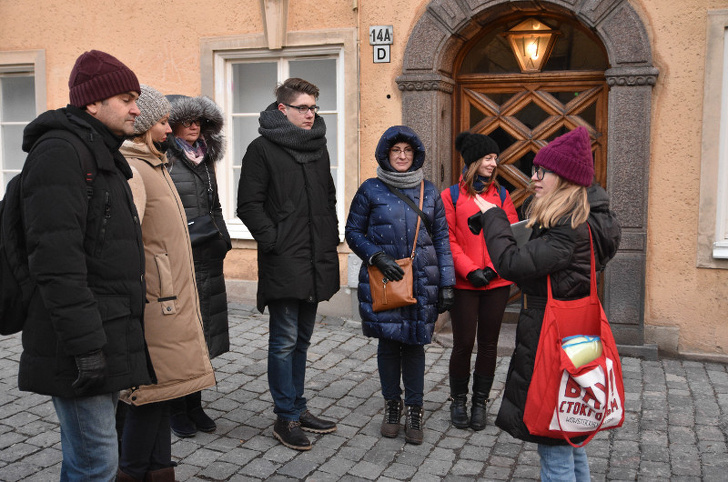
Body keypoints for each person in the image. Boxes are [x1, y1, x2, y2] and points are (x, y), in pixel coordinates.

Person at [17, 50, 154, 481]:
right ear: (92, 102)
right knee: (95, 463)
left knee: (88, 458)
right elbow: (56, 262)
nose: (137, 108)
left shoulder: (100, 151)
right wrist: (86, 348)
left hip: (106, 330)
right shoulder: (61, 153)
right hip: (78, 342)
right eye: (127, 97)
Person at [469, 126, 621, 481]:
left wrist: (494, 217)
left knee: (554, 440)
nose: (533, 177)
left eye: (542, 172)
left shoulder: (568, 227)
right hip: (577, 335)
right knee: (570, 431)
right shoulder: (584, 219)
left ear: (565, 178)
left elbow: (511, 265)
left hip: (553, 340)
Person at [117, 85, 216, 481]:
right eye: (161, 122)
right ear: (142, 127)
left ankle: (158, 470)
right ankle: (132, 471)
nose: (168, 129)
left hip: (170, 300)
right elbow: (125, 245)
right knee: (148, 397)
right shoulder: (134, 170)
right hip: (157, 304)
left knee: (163, 394)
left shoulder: (155, 163)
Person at [237, 78, 340, 451]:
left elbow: (327, 198)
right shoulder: (261, 149)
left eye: (314, 107)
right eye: (303, 107)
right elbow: (248, 205)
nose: (311, 114)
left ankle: (298, 407)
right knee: (283, 341)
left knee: (302, 341)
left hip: (315, 257)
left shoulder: (318, 148)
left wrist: (331, 236)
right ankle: (285, 417)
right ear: (283, 109)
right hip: (284, 260)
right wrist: (275, 241)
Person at [345, 125, 456, 445]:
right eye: (397, 151)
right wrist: (376, 256)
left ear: (415, 155)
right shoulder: (370, 189)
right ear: (386, 154)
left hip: (422, 280)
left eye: (407, 151)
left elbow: (441, 240)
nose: (402, 156)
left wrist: (447, 283)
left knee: (415, 345)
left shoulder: (430, 191)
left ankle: (416, 409)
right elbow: (353, 232)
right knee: (389, 344)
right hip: (384, 280)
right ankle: (392, 405)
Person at [440, 131, 519, 431]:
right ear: (474, 161)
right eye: (488, 158)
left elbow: (511, 233)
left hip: (496, 284)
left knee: (488, 345)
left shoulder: (501, 195)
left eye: (495, 158)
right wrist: (471, 270)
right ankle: (458, 400)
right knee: (463, 343)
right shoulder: (452, 196)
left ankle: (479, 403)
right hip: (465, 284)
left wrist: (495, 269)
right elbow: (447, 239)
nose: (493, 163)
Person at [165, 94, 231, 438]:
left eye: (200, 122)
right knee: (180, 336)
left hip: (207, 257)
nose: (195, 127)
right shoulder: (164, 158)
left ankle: (195, 404)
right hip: (178, 260)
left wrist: (223, 239)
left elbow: (215, 204)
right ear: (171, 123)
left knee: (203, 335)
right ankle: (176, 407)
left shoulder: (204, 158)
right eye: (188, 120)